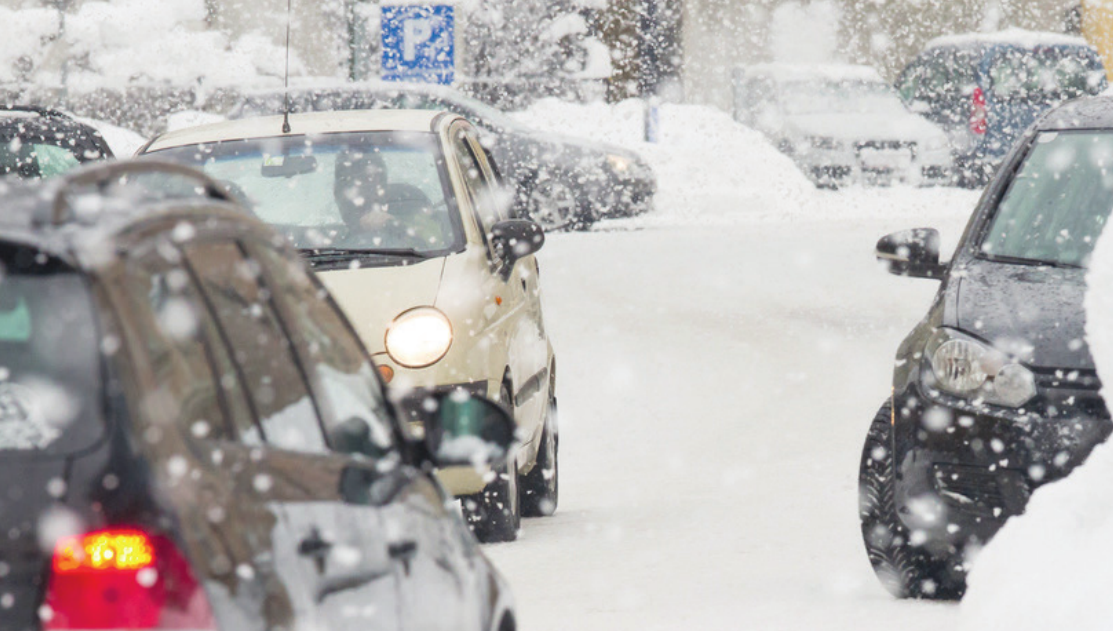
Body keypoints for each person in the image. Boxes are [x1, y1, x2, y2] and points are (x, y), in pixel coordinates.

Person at [332, 151, 447, 249]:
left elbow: (436, 248)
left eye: (370, 183)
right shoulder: (328, 244)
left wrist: (395, 225)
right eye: (345, 186)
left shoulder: (414, 212)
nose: (351, 199)